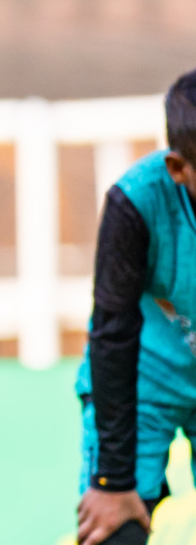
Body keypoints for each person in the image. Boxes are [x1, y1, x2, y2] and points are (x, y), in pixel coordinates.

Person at [74, 72, 196, 545]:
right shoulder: (135, 203)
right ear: (179, 169)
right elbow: (112, 334)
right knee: (115, 532)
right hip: (148, 378)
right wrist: (112, 481)